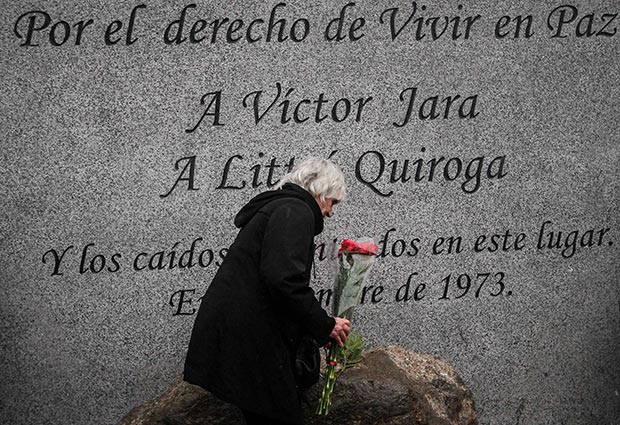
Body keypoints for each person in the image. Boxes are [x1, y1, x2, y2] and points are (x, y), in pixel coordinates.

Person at [183, 157, 351, 424]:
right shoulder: (295, 212)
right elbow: (284, 281)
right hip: (251, 340)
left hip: (243, 335)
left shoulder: (281, 208)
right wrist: (325, 324)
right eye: (333, 202)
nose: (331, 212)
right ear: (320, 191)